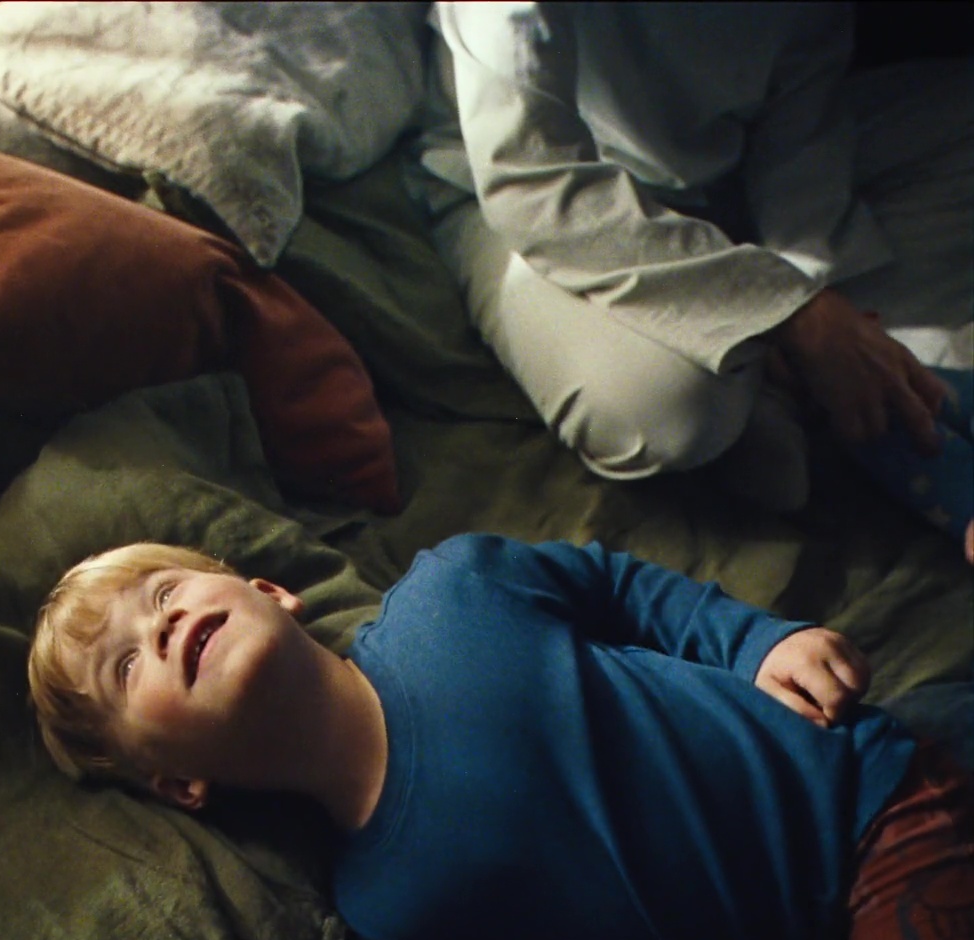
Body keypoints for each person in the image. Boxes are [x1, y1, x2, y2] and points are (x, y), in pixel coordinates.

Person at [27, 535, 974, 940]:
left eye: (164, 591)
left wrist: (757, 639)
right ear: (175, 785)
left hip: (864, 810)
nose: (160, 625)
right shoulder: (383, 906)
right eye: (125, 663)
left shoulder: (453, 595)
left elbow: (618, 586)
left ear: (271, 590)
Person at [406, 2, 973, 559]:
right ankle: (796, 396)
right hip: (521, 202)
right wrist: (788, 313)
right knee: (668, 411)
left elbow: (799, 142)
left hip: (715, 187)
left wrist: (814, 290)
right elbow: (529, 181)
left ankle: (852, 388)